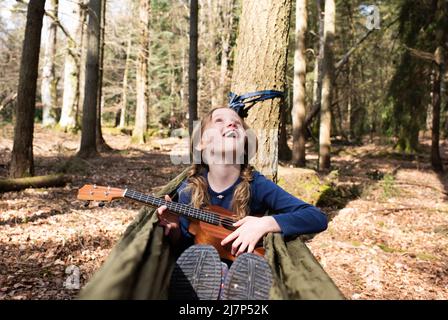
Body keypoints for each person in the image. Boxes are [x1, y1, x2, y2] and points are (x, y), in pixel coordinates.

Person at [156, 106, 328, 300]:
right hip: (201, 275)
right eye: (219, 121)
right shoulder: (190, 188)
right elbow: (188, 243)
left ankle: (229, 284)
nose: (231, 123)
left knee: (245, 272)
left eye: (237, 123)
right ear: (202, 143)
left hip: (247, 273)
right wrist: (175, 229)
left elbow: (316, 217)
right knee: (201, 258)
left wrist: (266, 223)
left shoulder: (256, 184)